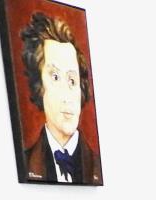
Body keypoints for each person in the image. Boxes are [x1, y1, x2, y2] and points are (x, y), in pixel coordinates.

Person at [19, 12, 102, 185]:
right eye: (55, 77)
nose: (67, 95)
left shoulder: (97, 168)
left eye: (72, 80)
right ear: (39, 85)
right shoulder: (25, 164)